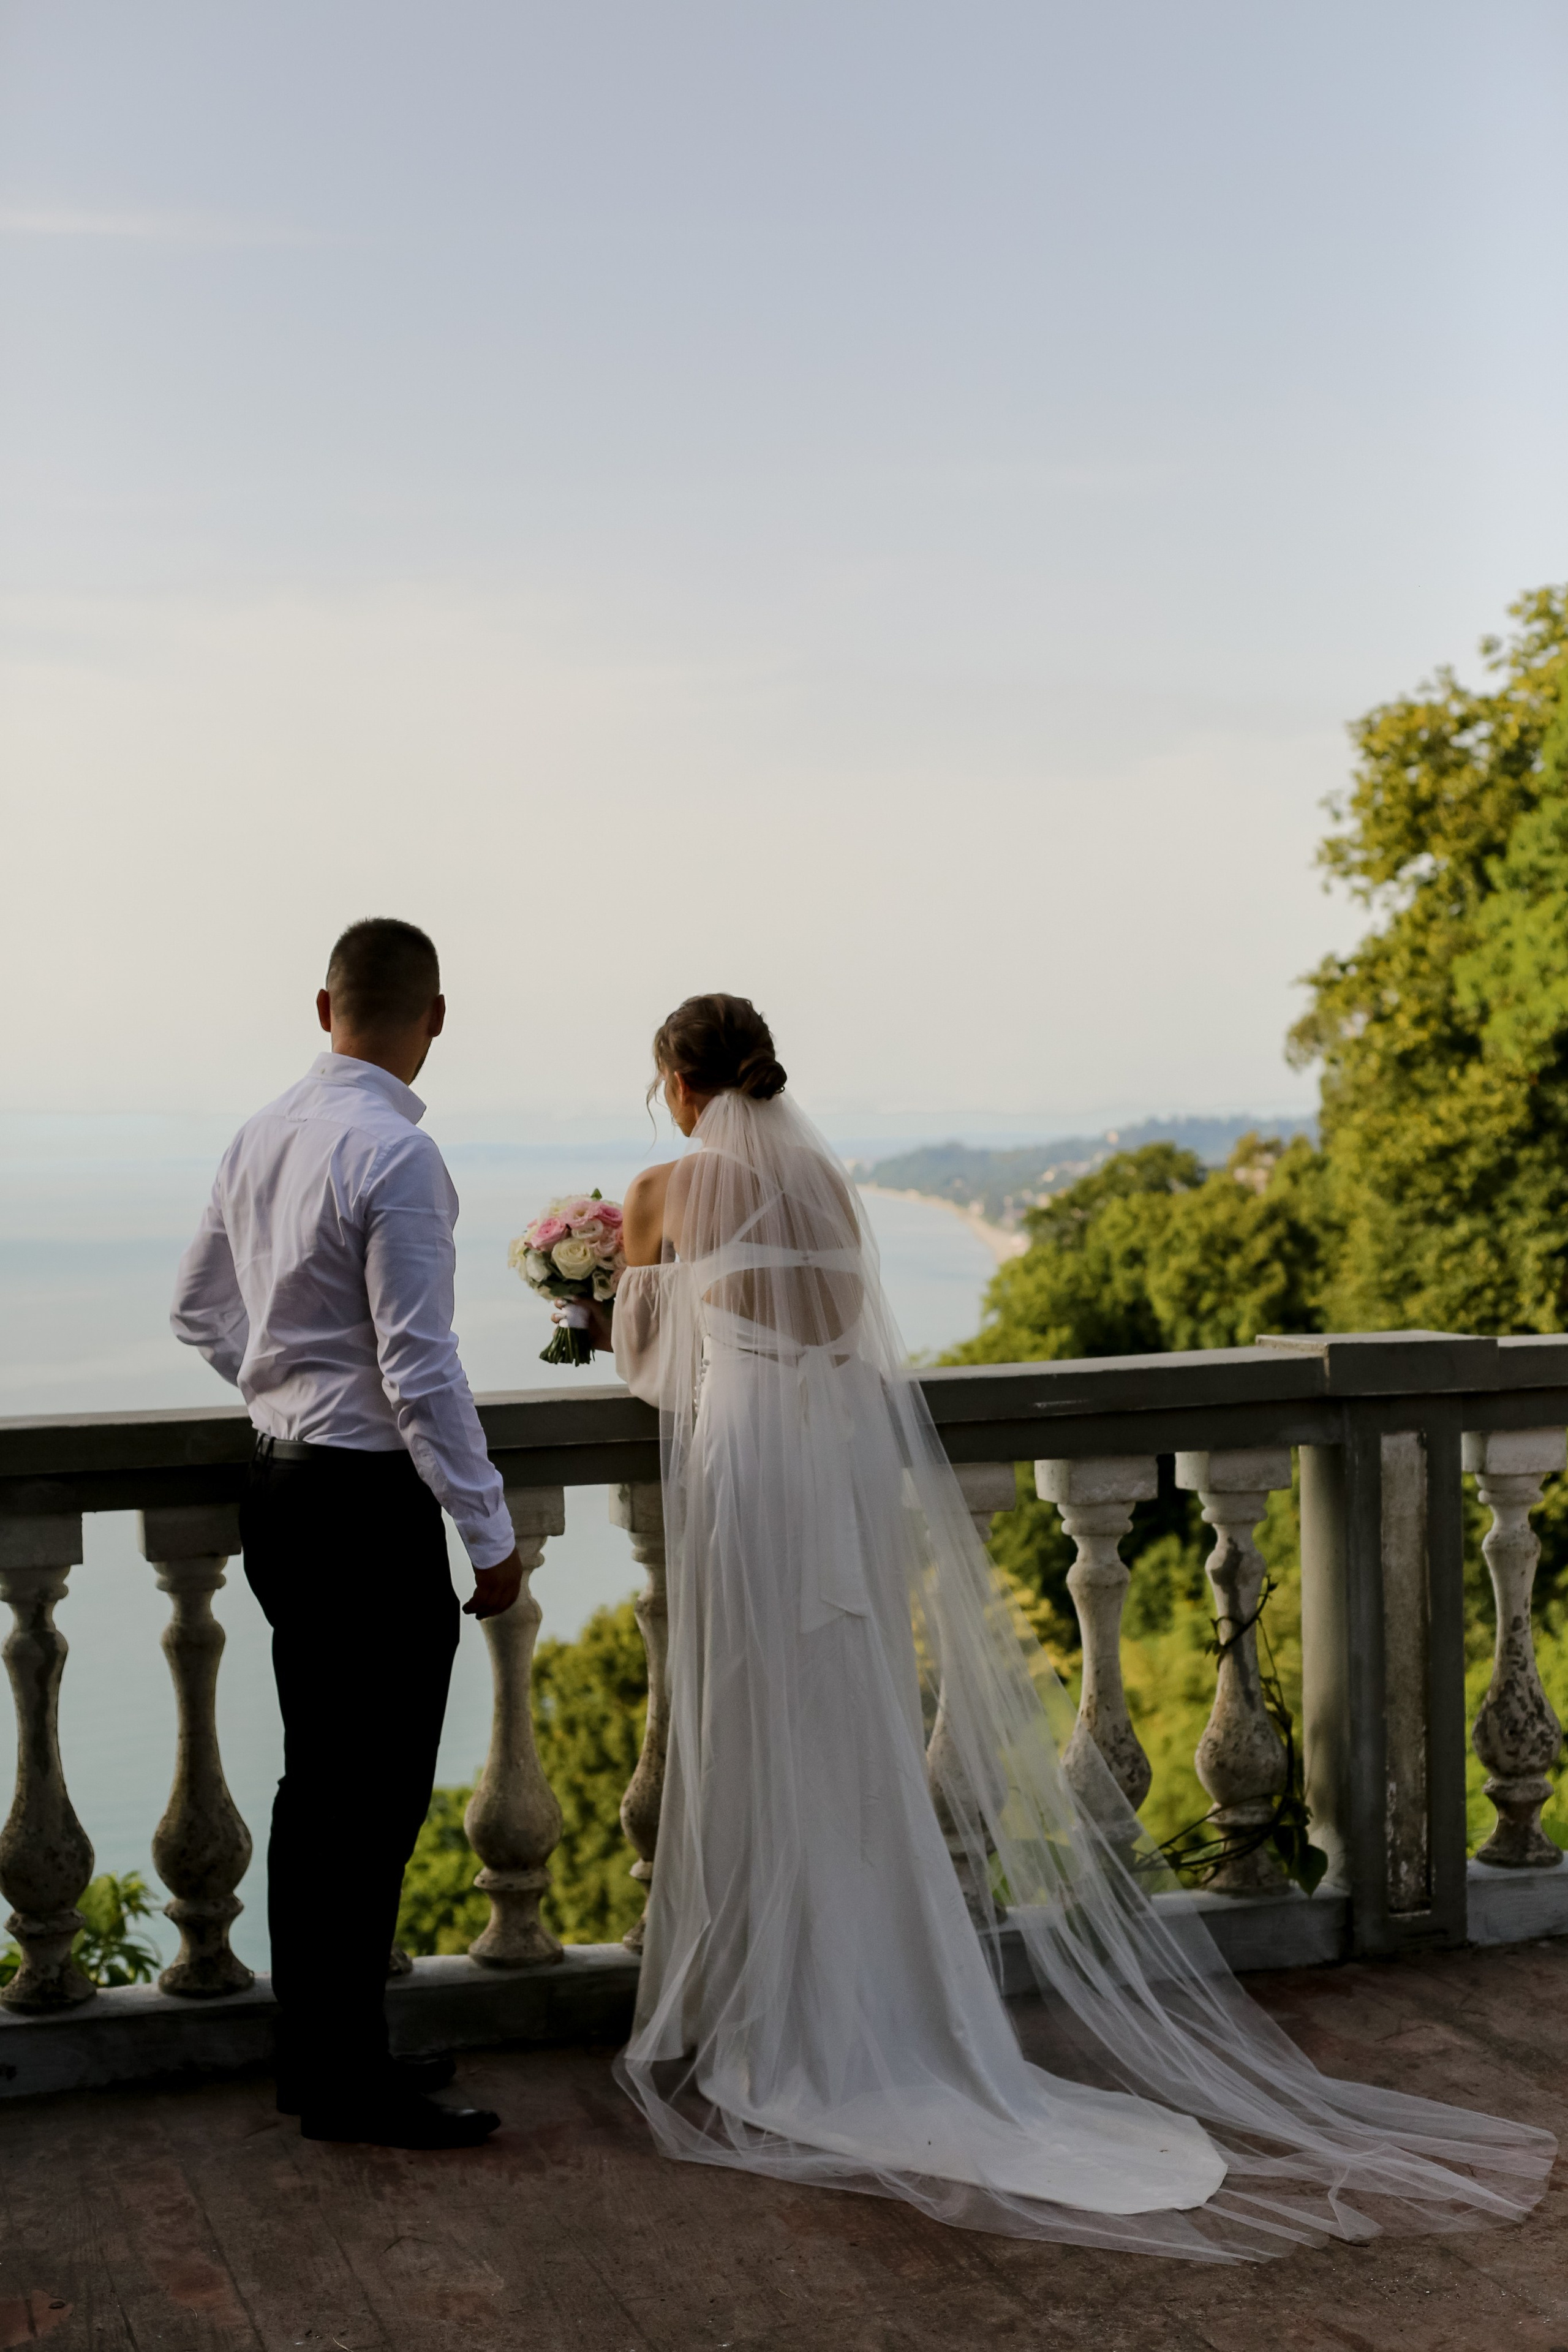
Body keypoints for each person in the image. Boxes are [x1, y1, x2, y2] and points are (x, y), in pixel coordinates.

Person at [598, 990, 1555, 2257]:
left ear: (677, 1080)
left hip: (740, 1475)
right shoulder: (828, 1186)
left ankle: (768, 2012)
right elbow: (837, 1344)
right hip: (826, 1479)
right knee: (843, 1721)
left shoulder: (663, 1189)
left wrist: (601, 1298)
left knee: (745, 1715)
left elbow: (648, 1367)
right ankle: (864, 1998)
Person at [172, 918, 519, 2149]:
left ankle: (326, 2058)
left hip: (276, 1492)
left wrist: (282, 1389)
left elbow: (195, 1310)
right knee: (369, 1796)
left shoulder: (260, 1135)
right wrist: (488, 1531)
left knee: (317, 1787)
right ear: (433, 1018)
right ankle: (345, 2077)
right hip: (366, 1507)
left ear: (326, 1009)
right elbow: (420, 1369)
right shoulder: (395, 1156)